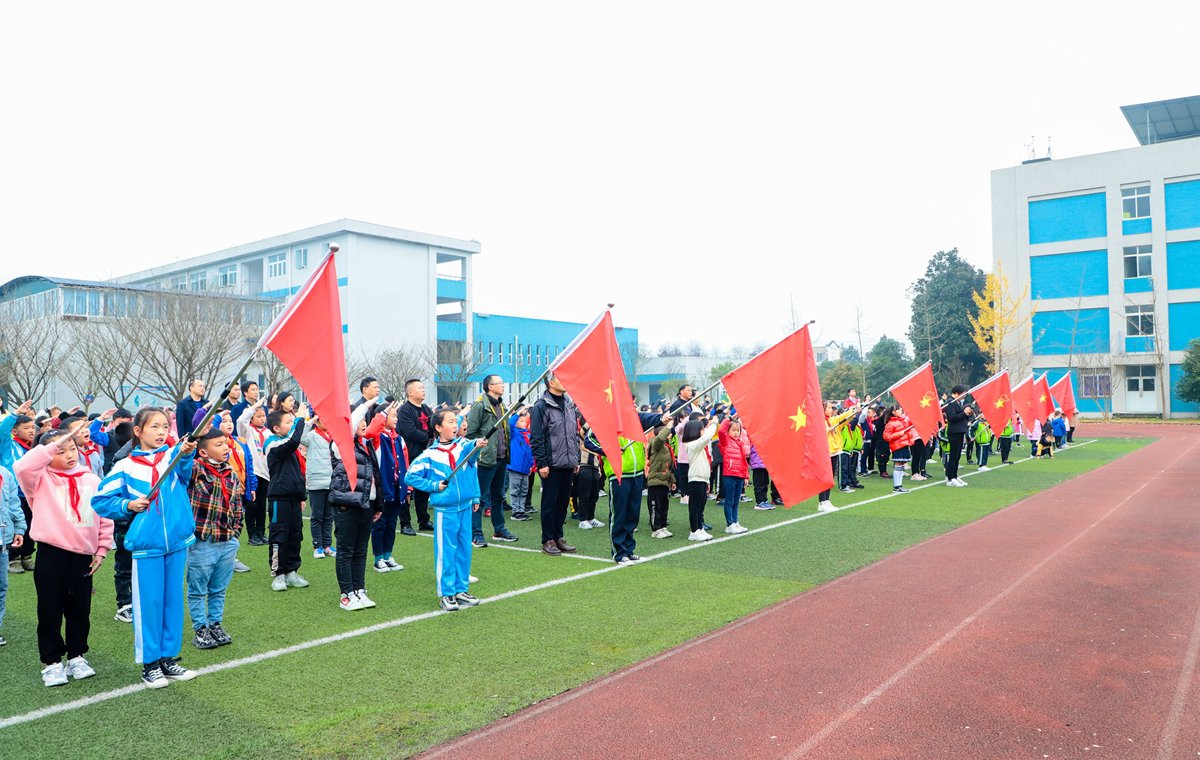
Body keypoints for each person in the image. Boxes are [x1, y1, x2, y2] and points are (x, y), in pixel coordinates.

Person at [93, 407, 200, 688]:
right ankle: (150, 664)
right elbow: (101, 501)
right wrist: (127, 505)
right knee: (149, 604)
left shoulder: (172, 457)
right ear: (138, 432)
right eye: (154, 427)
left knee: (173, 602)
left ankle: (168, 659)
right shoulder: (125, 467)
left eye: (165, 426)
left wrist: (186, 452)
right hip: (146, 546)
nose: (161, 432)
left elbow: (185, 472)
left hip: (176, 542)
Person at [14, 424, 111, 685]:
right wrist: (50, 446)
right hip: (51, 554)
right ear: (47, 453)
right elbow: (21, 467)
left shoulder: (91, 479)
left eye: (73, 448)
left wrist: (102, 549)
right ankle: (52, 662)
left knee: (80, 609)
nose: (69, 455)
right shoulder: (39, 479)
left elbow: (104, 517)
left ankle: (77, 655)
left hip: (83, 556)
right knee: (49, 609)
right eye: (61, 450)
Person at [403, 411, 485, 611]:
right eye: (450, 422)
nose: (455, 425)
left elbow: (472, 464)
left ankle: (461, 590)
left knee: (464, 549)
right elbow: (410, 477)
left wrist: (475, 496)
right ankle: (447, 594)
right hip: (445, 510)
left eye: (455, 422)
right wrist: (433, 485)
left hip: (465, 506)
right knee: (446, 552)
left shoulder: (463, 447)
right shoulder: (429, 454)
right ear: (438, 428)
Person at [185, 428, 244, 650]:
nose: (225, 447)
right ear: (202, 451)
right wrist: (188, 445)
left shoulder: (230, 473)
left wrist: (236, 531)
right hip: (202, 542)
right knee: (198, 588)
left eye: (225, 443)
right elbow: (180, 461)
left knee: (219, 588)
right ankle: (200, 628)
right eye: (218, 444)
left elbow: (238, 505)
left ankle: (215, 624)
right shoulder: (194, 469)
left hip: (227, 542)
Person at [583, 410, 667, 563]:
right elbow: (589, 439)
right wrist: (609, 450)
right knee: (619, 514)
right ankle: (619, 552)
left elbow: (647, 418)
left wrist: (661, 418)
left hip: (637, 474)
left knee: (632, 514)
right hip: (619, 474)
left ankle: (629, 549)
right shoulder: (605, 419)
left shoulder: (631, 417)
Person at [330, 403, 384, 611]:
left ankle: (359, 590)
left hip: (366, 504)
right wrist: (366, 403)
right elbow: (350, 426)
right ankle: (347, 594)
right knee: (345, 550)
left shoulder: (366, 444)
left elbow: (375, 476)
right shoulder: (340, 444)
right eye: (361, 420)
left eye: (365, 420)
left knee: (361, 551)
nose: (363, 424)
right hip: (346, 504)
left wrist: (378, 503)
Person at [529, 374, 580, 556]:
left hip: (568, 462)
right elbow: (536, 438)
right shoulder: (541, 407)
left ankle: (558, 537)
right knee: (549, 503)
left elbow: (573, 435)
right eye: (561, 379)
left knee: (562, 502)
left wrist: (576, 459)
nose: (566, 381)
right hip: (551, 464)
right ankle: (548, 539)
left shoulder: (569, 405)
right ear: (551, 383)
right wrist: (542, 462)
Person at [464, 375, 518, 546]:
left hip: (501, 458)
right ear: (489, 386)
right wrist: (480, 448)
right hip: (485, 459)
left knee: (499, 496)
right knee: (479, 498)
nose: (503, 386)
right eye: (499, 383)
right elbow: (471, 434)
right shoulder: (480, 406)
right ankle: (476, 533)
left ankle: (499, 529)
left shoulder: (502, 406)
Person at [264, 409, 310, 591]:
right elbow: (292, 441)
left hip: (293, 499)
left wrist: (301, 496)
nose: (292, 425)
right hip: (278, 499)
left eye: (292, 422)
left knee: (295, 535)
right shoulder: (272, 444)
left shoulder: (288, 446)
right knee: (278, 535)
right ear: (276, 428)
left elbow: (296, 474)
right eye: (288, 422)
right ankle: (278, 574)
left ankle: (292, 571)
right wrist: (299, 418)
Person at [366, 402, 408, 570]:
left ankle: (387, 555)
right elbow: (370, 431)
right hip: (383, 489)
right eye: (393, 415)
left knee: (391, 524)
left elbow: (405, 462)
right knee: (380, 523)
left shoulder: (399, 438)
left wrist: (407, 487)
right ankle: (378, 559)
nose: (396, 419)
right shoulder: (377, 438)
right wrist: (382, 413)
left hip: (398, 488)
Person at [2, 401, 38, 573]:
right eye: (26, 427)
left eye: (32, 427)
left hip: (31, 494)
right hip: (13, 494)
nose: (31, 430)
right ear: (14, 431)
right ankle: (13, 558)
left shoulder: (32, 448)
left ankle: (27, 556)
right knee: (14, 523)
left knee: (31, 525)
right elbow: (2, 432)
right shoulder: (8, 446)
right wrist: (15, 414)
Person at [396, 379, 435, 533]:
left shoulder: (426, 409)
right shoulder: (405, 410)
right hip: (409, 456)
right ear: (410, 392)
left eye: (423, 387)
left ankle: (423, 520)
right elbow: (410, 432)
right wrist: (430, 439)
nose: (423, 390)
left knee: (423, 491)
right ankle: (405, 523)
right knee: (407, 489)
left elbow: (433, 427)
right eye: (420, 388)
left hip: (426, 456)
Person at [237, 397, 270, 546]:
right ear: (252, 418)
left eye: (263, 416)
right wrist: (253, 408)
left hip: (266, 473)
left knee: (262, 505)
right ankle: (252, 535)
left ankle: (261, 532)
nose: (262, 419)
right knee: (252, 504)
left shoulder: (268, 432)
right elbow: (240, 421)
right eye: (258, 416)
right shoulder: (248, 431)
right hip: (253, 472)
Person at [302, 416, 336, 558]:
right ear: (316, 421)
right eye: (323, 419)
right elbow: (301, 438)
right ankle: (318, 546)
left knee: (329, 516)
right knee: (317, 516)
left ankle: (327, 544)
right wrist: (309, 422)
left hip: (331, 481)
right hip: (316, 481)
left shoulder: (333, 436)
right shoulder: (311, 435)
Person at [0, 459, 26, 647]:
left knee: (1, 586)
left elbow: (13, 503)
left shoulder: (5, 474)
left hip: (3, 539)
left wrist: (19, 527)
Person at [680, 416, 719, 540]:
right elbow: (707, 437)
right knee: (695, 507)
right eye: (701, 429)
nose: (704, 431)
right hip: (696, 478)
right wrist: (714, 424)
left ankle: (700, 528)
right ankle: (694, 531)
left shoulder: (698, 445)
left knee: (701, 506)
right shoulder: (692, 445)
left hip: (702, 478)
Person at [817, 402, 861, 511]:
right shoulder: (819, 421)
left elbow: (843, 418)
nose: (831, 409)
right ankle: (822, 501)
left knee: (831, 477)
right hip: (825, 452)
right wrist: (827, 430)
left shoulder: (832, 420)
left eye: (832, 408)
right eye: (828, 408)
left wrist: (853, 410)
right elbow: (817, 433)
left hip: (835, 451)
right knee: (825, 477)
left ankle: (827, 500)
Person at [717, 417, 749, 534]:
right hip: (730, 474)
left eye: (738, 430)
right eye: (734, 430)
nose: (736, 433)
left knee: (736, 501)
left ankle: (735, 522)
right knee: (729, 500)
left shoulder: (740, 444)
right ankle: (729, 524)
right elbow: (721, 431)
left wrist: (746, 476)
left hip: (739, 475)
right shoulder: (725, 442)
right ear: (728, 431)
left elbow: (744, 461)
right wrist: (728, 419)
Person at [645, 422, 676, 538]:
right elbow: (660, 439)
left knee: (664, 505)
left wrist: (672, 481)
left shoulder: (667, 447)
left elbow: (668, 466)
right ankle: (655, 529)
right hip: (655, 481)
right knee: (655, 505)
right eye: (668, 432)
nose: (670, 434)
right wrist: (668, 427)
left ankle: (662, 526)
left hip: (664, 481)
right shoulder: (655, 443)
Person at [943, 385, 974, 488]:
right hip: (954, 432)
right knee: (953, 456)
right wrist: (964, 413)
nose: (963, 397)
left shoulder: (956, 403)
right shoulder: (950, 403)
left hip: (960, 431)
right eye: (963, 394)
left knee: (957, 456)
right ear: (957, 393)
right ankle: (950, 478)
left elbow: (961, 415)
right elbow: (952, 418)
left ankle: (954, 476)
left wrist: (967, 413)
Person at [881, 405, 917, 494]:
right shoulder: (890, 424)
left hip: (904, 444)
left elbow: (912, 423)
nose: (901, 411)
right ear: (894, 412)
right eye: (899, 410)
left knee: (901, 466)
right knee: (898, 465)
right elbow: (886, 437)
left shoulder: (903, 421)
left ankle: (899, 485)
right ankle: (896, 486)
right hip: (898, 446)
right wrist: (898, 434)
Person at [507, 409, 535, 522]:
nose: (524, 423)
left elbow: (530, 452)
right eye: (521, 421)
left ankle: (521, 510)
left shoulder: (528, 435)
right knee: (515, 490)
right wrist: (517, 413)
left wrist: (531, 465)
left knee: (524, 490)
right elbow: (510, 423)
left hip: (525, 468)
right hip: (515, 467)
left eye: (525, 421)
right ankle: (515, 511)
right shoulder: (514, 434)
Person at [575, 428, 604, 530]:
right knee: (584, 495)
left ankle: (591, 518)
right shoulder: (582, 437)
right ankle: (583, 520)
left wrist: (599, 468)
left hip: (595, 467)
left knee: (594, 495)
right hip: (584, 466)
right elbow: (583, 433)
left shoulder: (595, 439)